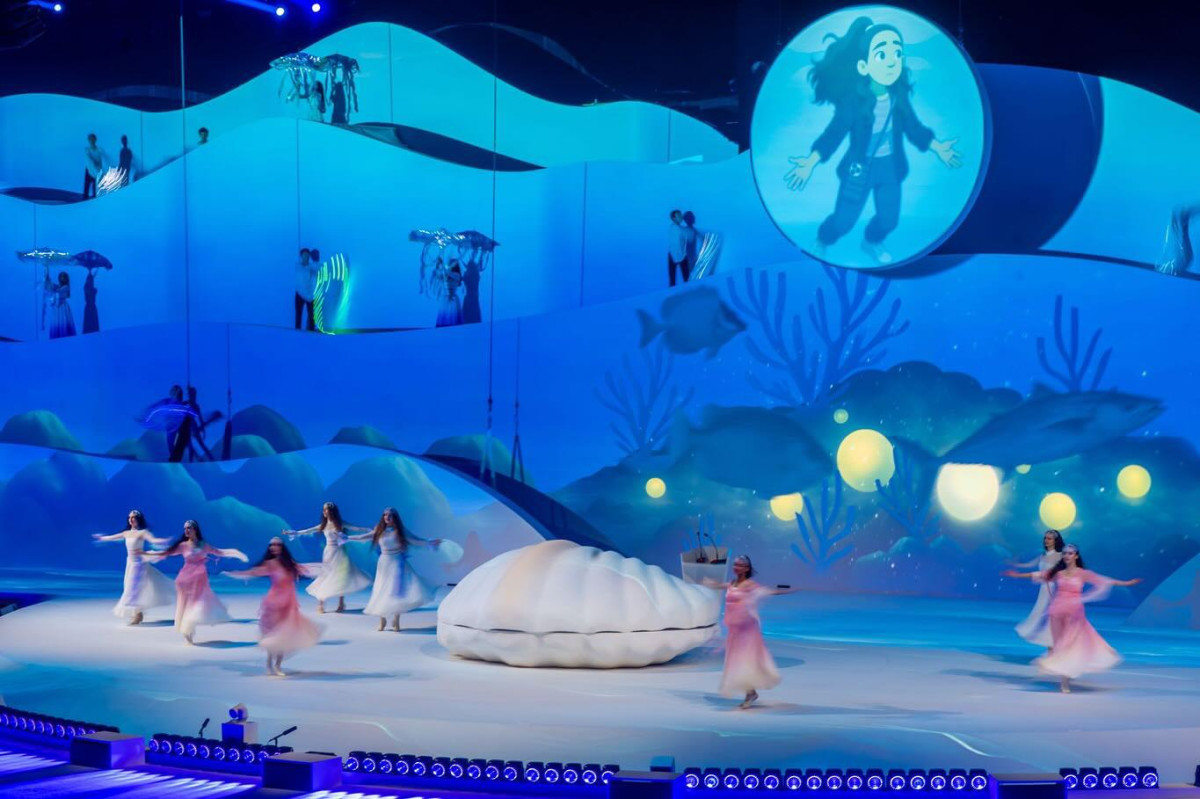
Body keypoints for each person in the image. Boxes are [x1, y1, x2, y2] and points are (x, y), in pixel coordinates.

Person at [783, 16, 962, 265]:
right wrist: (810, 162)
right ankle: (823, 240)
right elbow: (834, 133)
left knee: (889, 220)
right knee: (843, 222)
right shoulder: (853, 102)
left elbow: (914, 128)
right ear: (863, 66)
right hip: (859, 168)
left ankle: (872, 241)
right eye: (882, 54)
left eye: (897, 53)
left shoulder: (898, 98)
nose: (891, 61)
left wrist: (938, 147)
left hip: (890, 167)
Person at [1005, 544, 1141, 693]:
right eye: (1065, 553)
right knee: (1060, 646)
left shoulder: (1083, 574)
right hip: (1057, 611)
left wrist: (1126, 583)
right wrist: (1017, 575)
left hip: (1074, 613)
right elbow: (1040, 575)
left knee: (1069, 645)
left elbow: (1104, 581)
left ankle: (1064, 682)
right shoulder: (1058, 573)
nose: (1067, 556)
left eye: (1070, 553)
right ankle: (1058, 668)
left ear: (1076, 555)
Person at [705, 555, 798, 708]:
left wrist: (786, 591)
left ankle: (750, 693)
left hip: (747, 630)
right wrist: (712, 584)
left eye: (740, 565)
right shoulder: (732, 583)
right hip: (735, 630)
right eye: (735, 565)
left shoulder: (749, 585)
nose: (736, 567)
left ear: (747, 568)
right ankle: (751, 692)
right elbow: (723, 586)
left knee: (745, 660)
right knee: (737, 661)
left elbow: (766, 591)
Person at [226, 537, 321, 676]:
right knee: (274, 635)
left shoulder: (289, 563)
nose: (274, 547)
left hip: (288, 605)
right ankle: (270, 662)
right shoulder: (270, 564)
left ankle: (277, 666)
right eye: (272, 545)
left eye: (277, 545)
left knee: (284, 636)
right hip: (273, 604)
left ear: (282, 547)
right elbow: (254, 572)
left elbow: (304, 570)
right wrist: (236, 574)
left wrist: (321, 570)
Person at [147, 520, 247, 645]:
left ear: (195, 529)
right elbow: (167, 553)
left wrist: (237, 553)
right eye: (185, 529)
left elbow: (220, 552)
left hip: (199, 580)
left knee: (196, 605)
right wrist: (149, 554)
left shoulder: (204, 545)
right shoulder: (183, 545)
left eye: (189, 528)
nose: (186, 531)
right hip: (185, 580)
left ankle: (189, 629)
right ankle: (187, 632)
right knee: (185, 606)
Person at [348, 508, 442, 632]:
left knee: (397, 591)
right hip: (384, 563)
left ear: (395, 517)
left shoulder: (400, 531)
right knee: (381, 590)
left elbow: (415, 541)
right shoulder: (379, 530)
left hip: (397, 562)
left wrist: (429, 543)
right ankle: (382, 619)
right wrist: (346, 538)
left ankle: (396, 620)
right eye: (385, 515)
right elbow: (362, 537)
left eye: (390, 515)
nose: (387, 517)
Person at [284, 501, 372, 613]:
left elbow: (355, 528)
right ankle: (321, 603)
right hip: (329, 552)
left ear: (333, 511)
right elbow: (308, 530)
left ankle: (341, 603)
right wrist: (295, 533)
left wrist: (369, 530)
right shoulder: (323, 525)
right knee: (325, 575)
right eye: (324, 510)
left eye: (328, 509)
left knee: (341, 576)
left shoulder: (340, 523)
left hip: (340, 552)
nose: (326, 512)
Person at [92, 510, 174, 625]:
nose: (131, 519)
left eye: (133, 517)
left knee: (133, 588)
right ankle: (138, 614)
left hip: (139, 564)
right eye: (129, 517)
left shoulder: (143, 532)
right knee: (129, 587)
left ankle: (137, 615)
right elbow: (113, 537)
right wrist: (102, 538)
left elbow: (153, 540)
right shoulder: (126, 533)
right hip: (130, 563)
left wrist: (163, 541)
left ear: (138, 519)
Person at [1012, 530, 1064, 647]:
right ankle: (1050, 642)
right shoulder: (1043, 555)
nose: (1046, 540)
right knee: (1041, 612)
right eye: (1045, 538)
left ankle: (1055, 642)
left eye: (1049, 538)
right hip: (1044, 588)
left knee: (1050, 614)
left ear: (1055, 541)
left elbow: (1058, 573)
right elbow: (1029, 565)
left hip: (1053, 588)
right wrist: (1014, 565)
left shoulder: (1060, 556)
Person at [43, 267, 76, 339]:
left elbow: (56, 291)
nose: (62, 279)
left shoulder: (66, 287)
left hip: (62, 308)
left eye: (63, 278)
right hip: (58, 308)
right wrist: (47, 276)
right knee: (58, 323)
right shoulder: (59, 287)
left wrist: (50, 285)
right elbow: (50, 286)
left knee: (63, 323)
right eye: (61, 277)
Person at [294, 247, 318, 331]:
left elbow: (318, 269)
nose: (306, 257)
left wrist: (315, 261)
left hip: (310, 296)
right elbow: (304, 268)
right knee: (298, 315)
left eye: (307, 255)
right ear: (301, 256)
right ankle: (297, 332)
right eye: (304, 255)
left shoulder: (313, 267)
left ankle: (311, 332)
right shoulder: (298, 266)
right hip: (299, 294)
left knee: (312, 316)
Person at [435, 262, 464, 327]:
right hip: (445, 298)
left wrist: (445, 268)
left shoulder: (457, 275)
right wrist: (438, 266)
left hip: (453, 299)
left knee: (453, 319)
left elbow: (449, 273)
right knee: (443, 320)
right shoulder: (446, 274)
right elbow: (437, 276)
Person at [668, 209, 690, 286]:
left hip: (679, 255)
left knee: (686, 278)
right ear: (673, 218)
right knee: (674, 280)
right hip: (675, 255)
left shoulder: (681, 229)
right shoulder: (675, 229)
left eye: (681, 215)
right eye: (679, 215)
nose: (681, 217)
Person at [83, 133, 108, 199]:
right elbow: (89, 160)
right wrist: (94, 168)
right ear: (89, 140)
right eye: (90, 139)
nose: (92, 141)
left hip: (97, 171)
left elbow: (106, 158)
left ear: (95, 140)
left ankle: (95, 200)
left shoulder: (99, 150)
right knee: (87, 187)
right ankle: (85, 200)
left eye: (93, 139)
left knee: (95, 188)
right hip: (89, 170)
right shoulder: (87, 150)